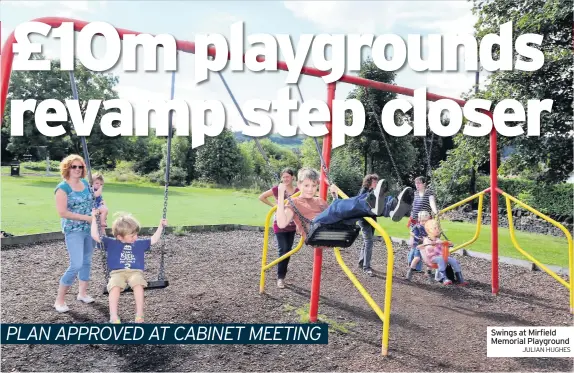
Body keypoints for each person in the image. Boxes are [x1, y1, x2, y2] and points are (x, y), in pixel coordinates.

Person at [91, 210, 167, 323]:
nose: (135, 237)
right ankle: (113, 316)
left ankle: (139, 314)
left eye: (136, 234)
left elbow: (154, 239)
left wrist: (161, 226)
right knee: (114, 287)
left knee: (138, 284)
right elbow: (95, 235)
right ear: (120, 237)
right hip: (117, 273)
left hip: (135, 272)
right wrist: (93, 218)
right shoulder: (111, 243)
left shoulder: (139, 244)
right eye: (132, 236)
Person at [275, 168, 388, 241]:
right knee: (339, 205)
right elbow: (281, 224)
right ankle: (374, 204)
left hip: (331, 230)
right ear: (299, 184)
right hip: (314, 231)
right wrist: (281, 196)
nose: (310, 189)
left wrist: (335, 197)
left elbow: (334, 216)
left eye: (314, 186)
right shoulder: (294, 202)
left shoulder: (319, 200)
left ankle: (391, 206)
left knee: (355, 207)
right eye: (306, 186)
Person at [53, 154, 96, 313]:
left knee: (86, 261)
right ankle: (59, 301)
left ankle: (82, 293)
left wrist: (97, 214)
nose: (77, 169)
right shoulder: (62, 188)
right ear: (67, 168)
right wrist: (86, 218)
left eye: (80, 167)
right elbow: (62, 212)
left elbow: (93, 201)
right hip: (73, 230)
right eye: (74, 167)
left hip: (89, 229)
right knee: (76, 264)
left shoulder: (85, 183)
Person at [258, 168, 300, 289]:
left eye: (288, 177)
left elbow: (299, 210)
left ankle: (282, 276)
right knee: (283, 250)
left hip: (291, 225)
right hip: (280, 223)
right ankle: (280, 278)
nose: (286, 179)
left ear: (293, 178)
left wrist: (298, 225)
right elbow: (262, 197)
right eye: (284, 177)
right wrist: (275, 206)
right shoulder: (278, 189)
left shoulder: (297, 191)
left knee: (288, 251)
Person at [420, 219, 468, 286]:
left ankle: (460, 279)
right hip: (432, 258)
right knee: (441, 259)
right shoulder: (426, 240)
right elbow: (428, 248)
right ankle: (444, 278)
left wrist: (447, 243)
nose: (437, 230)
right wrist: (434, 244)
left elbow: (447, 244)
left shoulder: (438, 239)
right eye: (435, 228)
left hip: (442, 257)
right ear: (428, 230)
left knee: (454, 261)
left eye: (438, 228)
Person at [356, 174, 380, 277]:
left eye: (376, 182)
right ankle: (366, 267)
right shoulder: (364, 191)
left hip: (372, 219)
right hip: (364, 220)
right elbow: (361, 205)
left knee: (367, 242)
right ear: (369, 182)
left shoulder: (373, 191)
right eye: (374, 182)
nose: (376, 183)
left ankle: (362, 262)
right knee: (369, 242)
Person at [405, 211, 431, 280]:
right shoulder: (417, 226)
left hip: (426, 245)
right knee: (417, 258)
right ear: (419, 220)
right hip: (418, 245)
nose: (424, 222)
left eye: (426, 221)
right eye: (422, 221)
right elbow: (413, 233)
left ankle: (429, 273)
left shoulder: (429, 227)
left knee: (428, 259)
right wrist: (419, 238)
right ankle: (410, 271)